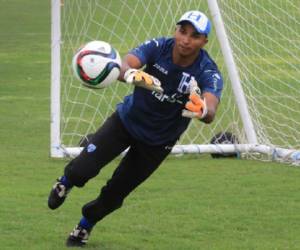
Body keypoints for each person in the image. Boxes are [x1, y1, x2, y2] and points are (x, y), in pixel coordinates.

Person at [48, 10, 223, 247]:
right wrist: (133, 74)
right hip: (125, 122)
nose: (185, 39)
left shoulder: (207, 70)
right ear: (176, 30)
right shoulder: (159, 46)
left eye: (194, 36)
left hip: (158, 143)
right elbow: (125, 64)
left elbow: (211, 108)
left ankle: (84, 226)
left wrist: (202, 109)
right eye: (183, 31)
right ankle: (65, 183)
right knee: (82, 169)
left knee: (115, 193)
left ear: (204, 42)